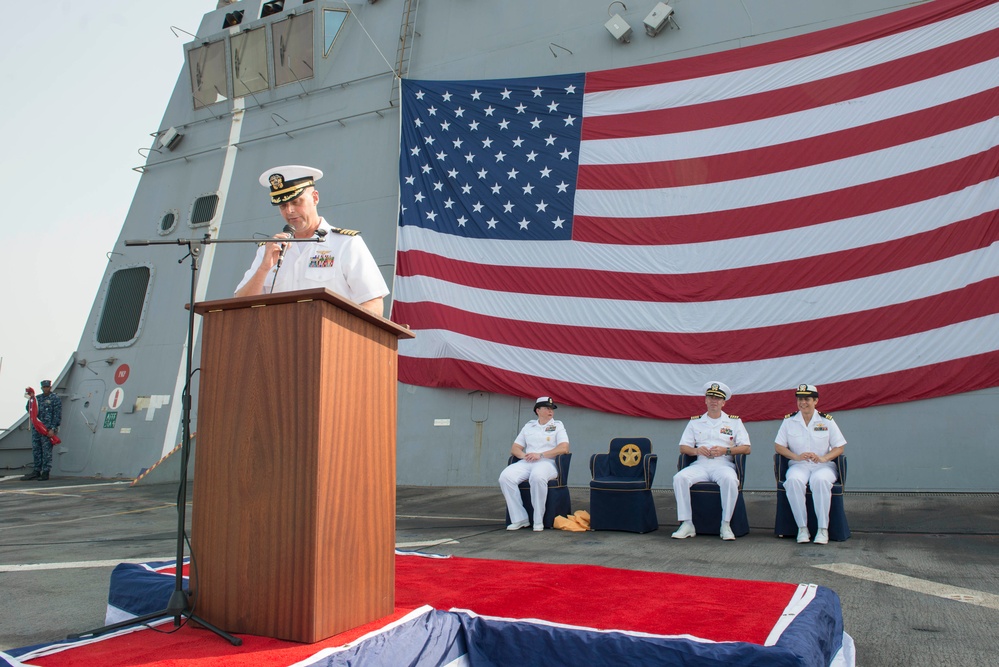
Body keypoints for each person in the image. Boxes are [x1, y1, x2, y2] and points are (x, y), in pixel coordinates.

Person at [235, 165, 390, 316]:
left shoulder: (345, 243)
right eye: (283, 205)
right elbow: (239, 305)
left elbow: (373, 304)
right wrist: (264, 268)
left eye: (296, 202)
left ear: (315, 198)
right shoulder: (269, 249)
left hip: (330, 339)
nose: (289, 211)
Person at [672, 382, 751, 540]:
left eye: (718, 398)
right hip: (701, 464)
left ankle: (726, 524)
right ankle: (687, 523)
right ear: (705, 400)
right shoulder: (695, 422)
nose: (714, 401)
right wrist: (696, 450)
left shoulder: (734, 422)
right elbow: (683, 447)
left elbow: (746, 448)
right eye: (711, 397)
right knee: (679, 478)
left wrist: (726, 450)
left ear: (723, 402)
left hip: (723, 464)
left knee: (730, 479)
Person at [774, 384, 847, 545]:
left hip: (823, 466)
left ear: (816, 401)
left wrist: (824, 458)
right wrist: (796, 456)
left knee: (820, 481)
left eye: (807, 399)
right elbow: (778, 446)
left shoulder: (826, 421)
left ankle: (822, 529)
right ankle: (802, 528)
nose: (803, 403)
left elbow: (839, 447)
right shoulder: (789, 421)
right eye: (800, 399)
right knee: (793, 481)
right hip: (799, 465)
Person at [498, 397, 570, 532]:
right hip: (528, 461)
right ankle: (520, 518)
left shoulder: (558, 426)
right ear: (538, 410)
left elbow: (564, 448)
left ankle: (538, 520)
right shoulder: (529, 426)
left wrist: (541, 455)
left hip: (547, 462)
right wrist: (524, 456)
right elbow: (515, 448)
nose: (550, 411)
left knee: (537, 477)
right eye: (547, 408)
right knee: (505, 477)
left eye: (551, 409)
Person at [22, 380, 61, 481]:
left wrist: (53, 428)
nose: (46, 389)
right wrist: (31, 398)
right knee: (36, 450)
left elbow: (57, 415)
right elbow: (29, 408)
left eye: (47, 387)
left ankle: (46, 472)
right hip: (37, 429)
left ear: (50, 387)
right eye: (44, 387)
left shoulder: (55, 398)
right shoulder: (38, 398)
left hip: (47, 430)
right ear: (42, 388)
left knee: (46, 451)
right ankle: (36, 471)